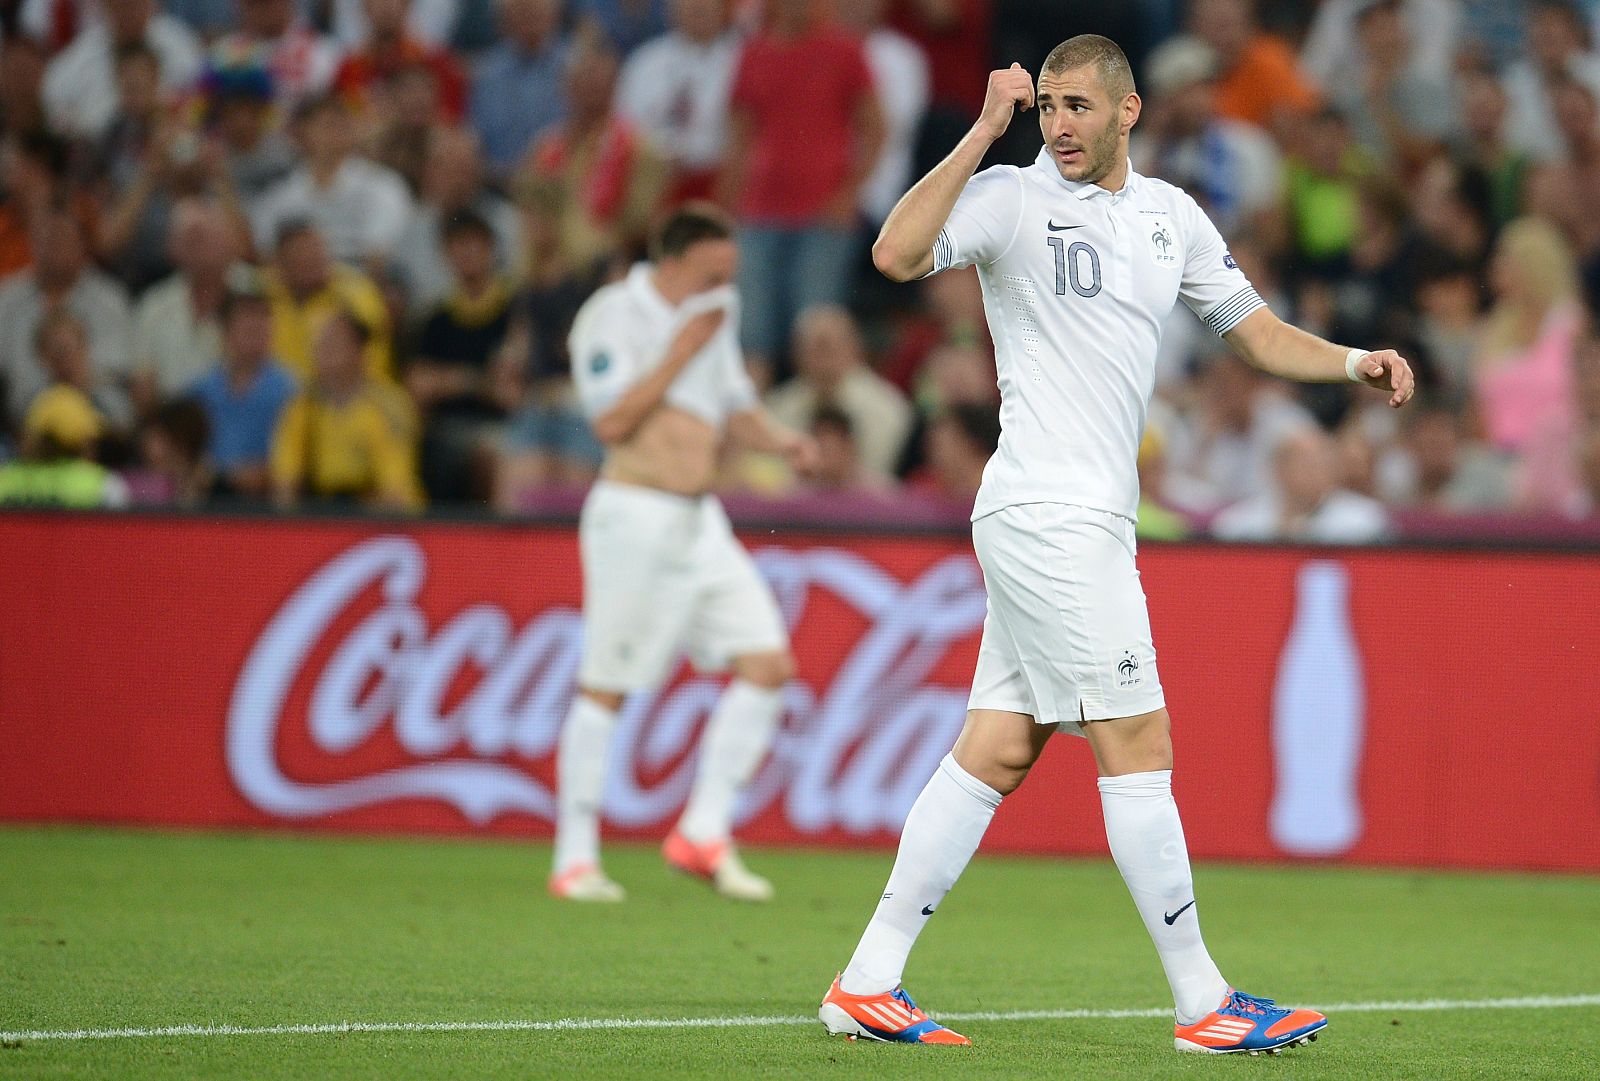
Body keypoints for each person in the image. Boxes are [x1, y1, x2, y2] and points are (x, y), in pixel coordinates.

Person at [820, 36, 1414, 1051]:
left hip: (1080, 515)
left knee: (1000, 748)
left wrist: (1352, 361)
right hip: (1046, 511)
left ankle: (867, 980)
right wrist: (979, 129)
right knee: (1138, 741)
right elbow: (895, 253)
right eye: (1047, 105)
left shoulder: (1168, 217)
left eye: (1078, 106)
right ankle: (1204, 1004)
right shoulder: (1009, 194)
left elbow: (1255, 330)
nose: (1058, 124)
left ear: (1128, 110)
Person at [551, 203, 817, 904]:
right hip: (633, 513)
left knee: (767, 663)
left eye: (728, 274)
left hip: (701, 519)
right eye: (709, 273)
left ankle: (703, 829)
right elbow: (610, 420)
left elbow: (734, 406)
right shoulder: (611, 314)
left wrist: (782, 440)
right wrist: (680, 347)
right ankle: (574, 856)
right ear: (670, 263)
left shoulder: (716, 312)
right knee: (607, 681)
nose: (723, 286)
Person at [270, 308, 424, 512]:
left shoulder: (388, 405)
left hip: (379, 515)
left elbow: (395, 489)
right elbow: (285, 479)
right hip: (320, 511)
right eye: (320, 342)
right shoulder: (301, 405)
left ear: (360, 349)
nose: (325, 348)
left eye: (335, 340)